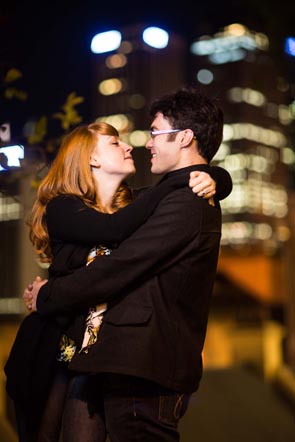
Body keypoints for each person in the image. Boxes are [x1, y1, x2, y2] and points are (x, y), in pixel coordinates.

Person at [5, 115, 232, 441]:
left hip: (101, 356)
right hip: (59, 349)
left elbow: (162, 206)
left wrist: (216, 178)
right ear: (92, 158)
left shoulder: (135, 205)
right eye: (114, 142)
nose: (129, 146)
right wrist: (179, 180)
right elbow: (111, 230)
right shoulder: (64, 208)